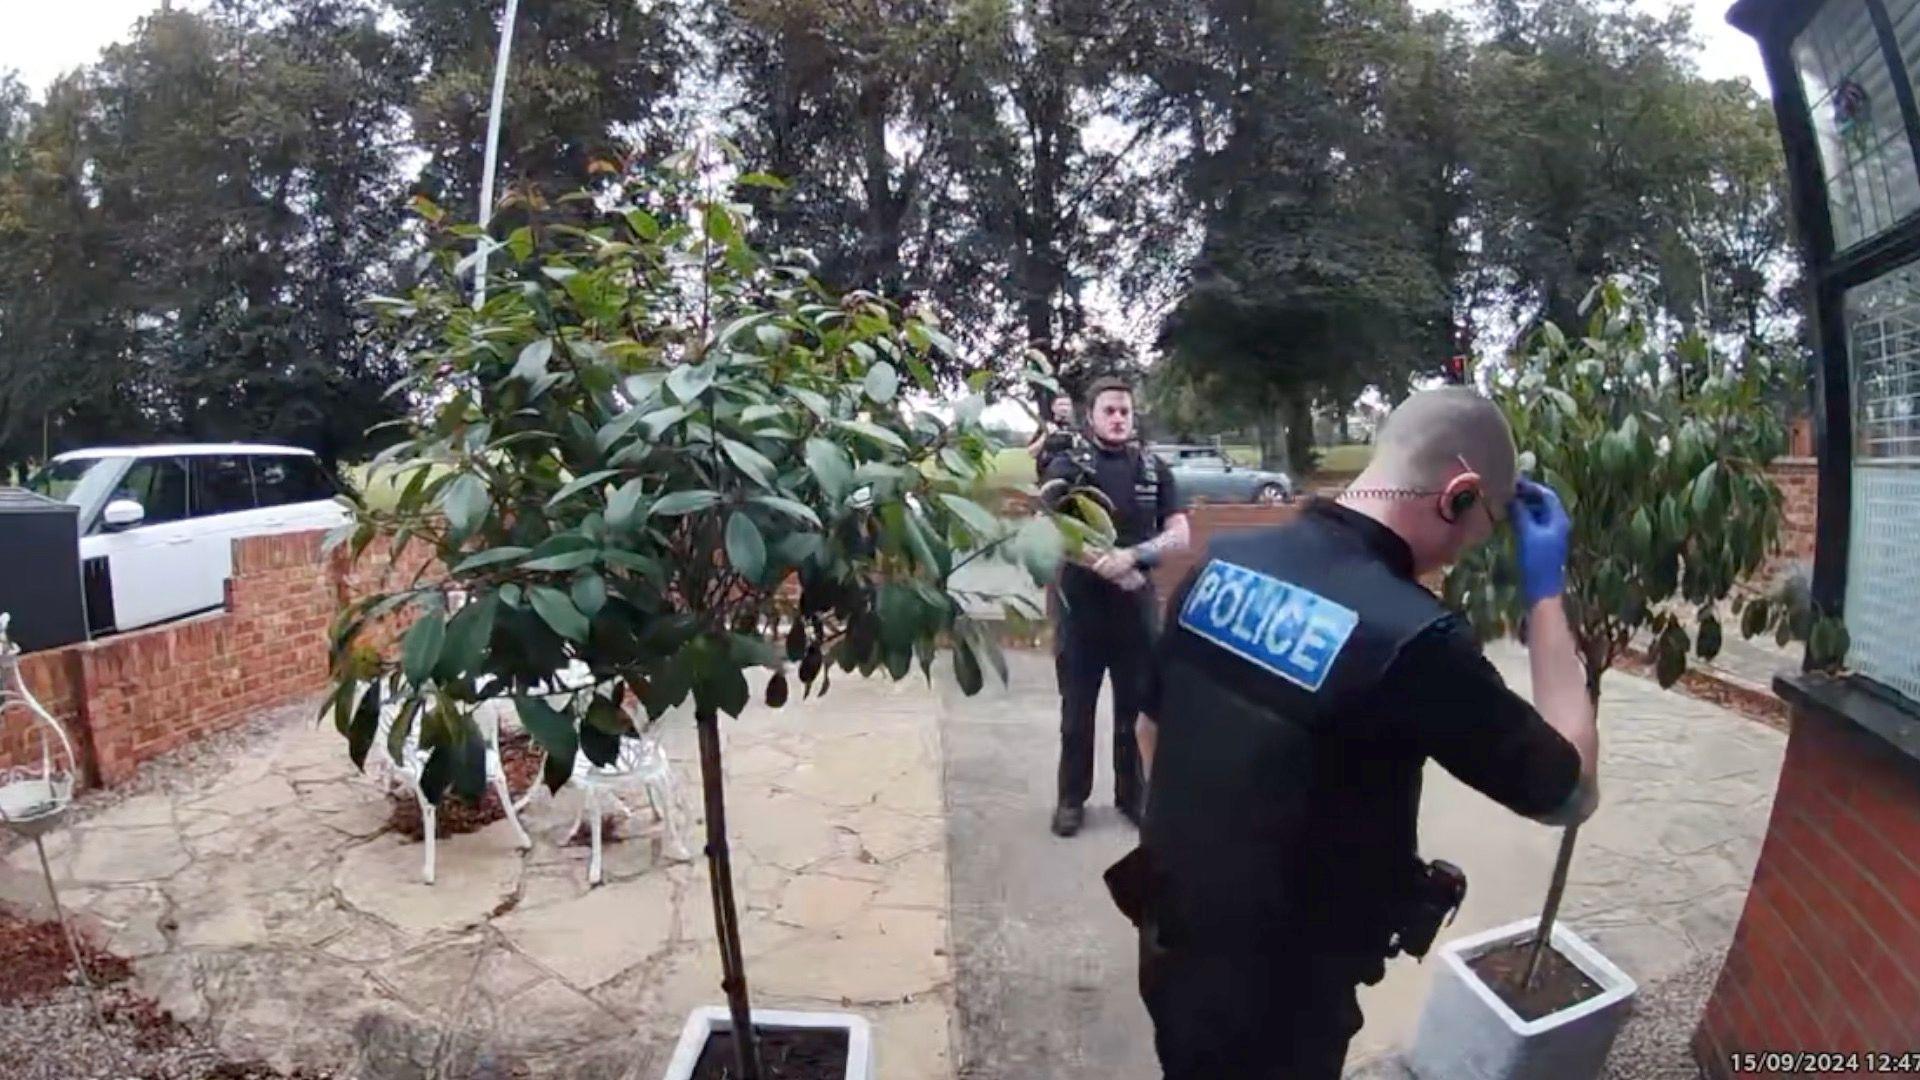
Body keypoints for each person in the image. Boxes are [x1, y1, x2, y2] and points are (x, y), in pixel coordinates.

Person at [1118, 386, 1600, 1078]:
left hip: (1172, 946)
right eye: (1479, 526)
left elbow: (1149, 730)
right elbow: (1570, 790)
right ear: (1457, 496)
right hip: (1285, 1008)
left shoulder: (1222, 565)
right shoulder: (1416, 640)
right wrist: (1546, 598)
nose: (1465, 550)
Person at [1040, 376, 1191, 838]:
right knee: (1076, 714)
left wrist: (1134, 557)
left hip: (1136, 611)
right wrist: (1097, 561)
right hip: (1081, 608)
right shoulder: (1068, 465)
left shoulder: (1153, 468)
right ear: (1092, 416)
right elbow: (1049, 524)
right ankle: (1071, 800)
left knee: (1135, 710)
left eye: (1125, 410)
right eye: (1110, 410)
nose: (1119, 418)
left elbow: (1180, 533)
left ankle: (1133, 797)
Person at [1028, 394, 1080, 475]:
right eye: (1060, 404)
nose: (1064, 408)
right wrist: (1045, 435)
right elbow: (1031, 453)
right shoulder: (1045, 428)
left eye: (1067, 405)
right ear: (1053, 408)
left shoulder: (1076, 430)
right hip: (1049, 477)